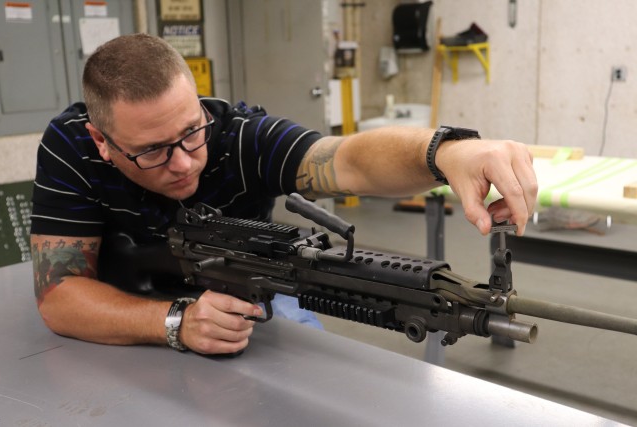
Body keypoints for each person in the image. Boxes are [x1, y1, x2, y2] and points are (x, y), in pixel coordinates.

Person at [30, 33, 537, 356]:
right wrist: (175, 321)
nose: (184, 161)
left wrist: (445, 153)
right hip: (133, 316)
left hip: (251, 302)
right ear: (102, 140)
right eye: (153, 151)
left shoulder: (238, 138)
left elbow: (350, 160)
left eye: (191, 131)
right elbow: (60, 298)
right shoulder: (71, 146)